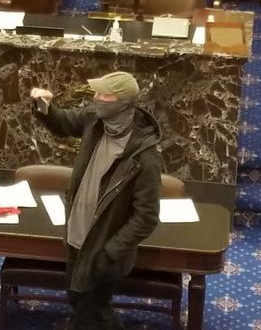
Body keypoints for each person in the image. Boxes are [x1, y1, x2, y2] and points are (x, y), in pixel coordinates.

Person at [30, 71, 163, 330]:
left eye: (105, 94)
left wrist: (111, 252)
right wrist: (45, 108)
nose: (97, 98)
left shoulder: (144, 158)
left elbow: (146, 217)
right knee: (78, 298)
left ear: (123, 103)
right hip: (76, 235)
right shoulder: (95, 121)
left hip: (103, 247)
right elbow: (63, 123)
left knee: (91, 308)